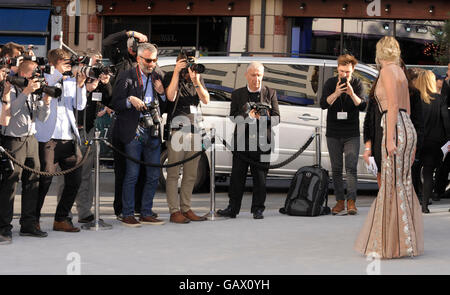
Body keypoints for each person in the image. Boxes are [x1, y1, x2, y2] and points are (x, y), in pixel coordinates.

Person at [355, 36, 424, 259]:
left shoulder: (386, 71)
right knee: (402, 184)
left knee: (390, 186)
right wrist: (408, 141)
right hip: (407, 128)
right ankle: (404, 242)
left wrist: (389, 139)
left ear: (380, 52)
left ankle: (391, 245)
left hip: (394, 128)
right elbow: (408, 108)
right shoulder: (401, 72)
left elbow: (393, 104)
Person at [111, 43, 166, 227]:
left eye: (155, 60)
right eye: (148, 60)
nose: (152, 64)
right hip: (133, 130)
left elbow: (167, 104)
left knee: (152, 175)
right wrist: (129, 100)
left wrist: (162, 94)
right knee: (132, 174)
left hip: (153, 129)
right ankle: (127, 213)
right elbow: (115, 103)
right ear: (139, 59)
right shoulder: (127, 76)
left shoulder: (158, 76)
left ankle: (146, 212)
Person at [217, 61, 280, 220]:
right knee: (237, 178)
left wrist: (264, 118)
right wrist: (248, 116)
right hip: (242, 143)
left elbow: (277, 119)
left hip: (262, 143)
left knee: (260, 179)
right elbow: (233, 117)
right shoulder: (237, 94)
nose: (256, 78)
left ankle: (258, 209)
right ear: (246, 75)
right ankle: (233, 208)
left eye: (259, 75)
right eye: (253, 75)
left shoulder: (270, 93)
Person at [55, 53, 113, 223]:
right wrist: (83, 86)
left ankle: (85, 211)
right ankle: (63, 214)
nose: (94, 70)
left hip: (88, 131)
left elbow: (110, 100)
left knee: (86, 175)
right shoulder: (69, 81)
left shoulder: (96, 82)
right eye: (93, 65)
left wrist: (105, 82)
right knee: (65, 176)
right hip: (70, 132)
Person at [35, 49, 87, 233]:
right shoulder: (46, 79)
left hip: (68, 137)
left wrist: (80, 85)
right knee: (44, 181)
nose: (68, 64)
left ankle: (61, 218)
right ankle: (33, 220)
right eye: (65, 61)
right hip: (48, 139)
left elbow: (80, 106)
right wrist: (62, 77)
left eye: (69, 61)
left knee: (75, 180)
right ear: (54, 62)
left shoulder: (72, 81)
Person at [0, 61, 51, 244]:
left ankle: (28, 225)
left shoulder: (32, 90)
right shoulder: (10, 88)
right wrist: (26, 92)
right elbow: (10, 112)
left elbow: (41, 118)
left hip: (31, 139)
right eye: (32, 73)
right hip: (13, 140)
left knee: (32, 182)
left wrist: (46, 102)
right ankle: (3, 228)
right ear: (22, 73)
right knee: (10, 184)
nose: (35, 76)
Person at [163, 51, 210, 224]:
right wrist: (176, 72)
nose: (190, 67)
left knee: (191, 173)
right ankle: (174, 211)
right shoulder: (170, 76)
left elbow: (205, 100)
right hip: (177, 128)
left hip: (195, 128)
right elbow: (170, 96)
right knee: (174, 172)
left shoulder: (196, 77)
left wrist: (196, 79)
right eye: (187, 64)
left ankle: (186, 208)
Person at [320, 54, 366, 215]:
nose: (344, 75)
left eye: (347, 72)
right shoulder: (331, 83)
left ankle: (351, 201)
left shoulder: (358, 83)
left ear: (353, 70)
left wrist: (352, 93)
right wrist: (336, 93)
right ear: (337, 70)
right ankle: (339, 201)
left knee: (351, 168)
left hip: (351, 132)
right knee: (337, 168)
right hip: (333, 132)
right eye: (341, 71)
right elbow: (323, 104)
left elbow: (362, 106)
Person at [413, 70, 450, 213]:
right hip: (435, 142)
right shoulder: (439, 99)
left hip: (418, 141)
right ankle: (424, 206)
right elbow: (446, 121)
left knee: (415, 172)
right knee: (428, 173)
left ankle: (416, 199)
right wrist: (448, 138)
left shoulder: (416, 99)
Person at [433, 63, 450, 202]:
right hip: (444, 130)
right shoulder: (445, 86)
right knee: (443, 163)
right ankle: (438, 190)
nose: (448, 72)